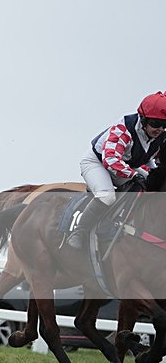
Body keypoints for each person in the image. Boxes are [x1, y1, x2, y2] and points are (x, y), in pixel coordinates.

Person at [67, 92, 166, 249]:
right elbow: (111, 160)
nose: (160, 129)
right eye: (156, 123)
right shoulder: (123, 129)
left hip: (126, 165)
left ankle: (122, 222)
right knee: (107, 197)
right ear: (143, 120)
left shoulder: (161, 136)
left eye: (164, 124)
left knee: (146, 187)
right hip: (98, 163)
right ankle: (79, 231)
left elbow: (159, 163)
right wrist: (134, 174)